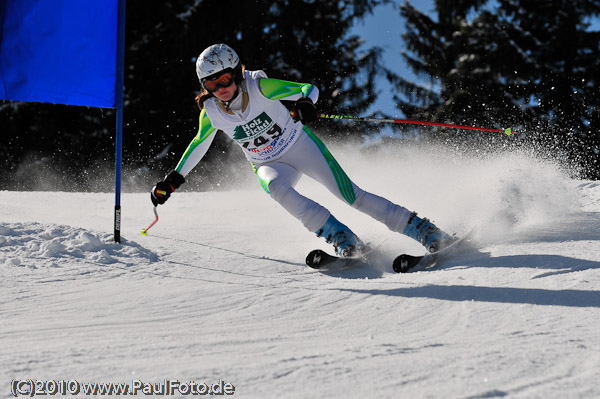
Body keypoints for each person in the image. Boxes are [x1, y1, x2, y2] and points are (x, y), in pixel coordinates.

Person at [151, 43, 453, 257]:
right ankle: (342, 237)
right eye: (212, 84)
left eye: (226, 79)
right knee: (277, 189)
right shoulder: (212, 112)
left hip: (299, 146)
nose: (221, 89)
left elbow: (308, 89)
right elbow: (198, 144)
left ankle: (423, 230)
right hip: (267, 162)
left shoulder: (259, 87)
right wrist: (174, 179)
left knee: (351, 196)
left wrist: (307, 104)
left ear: (237, 73)